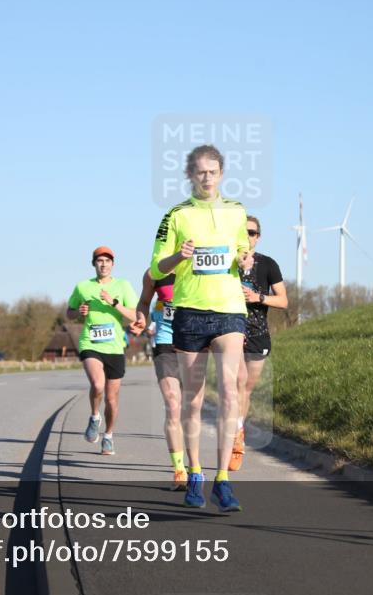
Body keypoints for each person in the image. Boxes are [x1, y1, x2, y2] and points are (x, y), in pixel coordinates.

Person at [149, 144, 252, 512]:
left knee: (229, 392)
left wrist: (244, 258)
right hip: (190, 312)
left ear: (221, 173)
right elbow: (156, 267)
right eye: (200, 172)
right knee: (192, 400)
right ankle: (195, 473)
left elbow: (242, 250)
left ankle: (223, 479)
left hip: (229, 310)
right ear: (190, 175)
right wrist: (179, 255)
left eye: (212, 171)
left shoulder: (237, 211)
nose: (206, 177)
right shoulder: (175, 216)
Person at [66, 246, 138, 456]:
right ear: (94, 264)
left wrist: (114, 303)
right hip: (90, 343)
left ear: (112, 264)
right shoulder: (82, 287)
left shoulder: (123, 286)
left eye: (107, 261)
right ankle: (95, 416)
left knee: (112, 399)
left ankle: (108, 436)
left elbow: (134, 316)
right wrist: (78, 312)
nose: (103, 264)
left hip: (114, 347)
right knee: (97, 384)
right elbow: (69, 312)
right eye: (100, 261)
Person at [231, 215, 288, 471]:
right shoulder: (228, 263)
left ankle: (237, 432)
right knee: (235, 385)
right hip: (231, 332)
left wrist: (259, 297)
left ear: (258, 237)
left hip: (258, 335)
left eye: (252, 232)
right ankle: (234, 435)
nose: (247, 236)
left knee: (245, 389)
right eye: (243, 232)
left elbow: (283, 301)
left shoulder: (268, 264)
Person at [131, 269, 186, 490]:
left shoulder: (197, 264)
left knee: (191, 408)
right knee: (173, 403)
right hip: (165, 342)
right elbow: (144, 302)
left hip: (194, 343)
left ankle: (195, 466)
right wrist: (141, 319)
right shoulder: (154, 272)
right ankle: (179, 469)